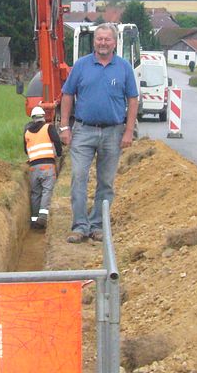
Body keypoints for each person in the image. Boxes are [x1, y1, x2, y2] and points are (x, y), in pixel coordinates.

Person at [59, 23, 139, 244]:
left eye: (107, 39)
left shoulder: (123, 68)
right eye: (99, 39)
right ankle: (80, 226)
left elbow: (133, 100)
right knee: (78, 177)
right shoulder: (82, 66)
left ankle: (97, 225)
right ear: (94, 41)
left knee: (106, 182)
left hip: (113, 132)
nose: (103, 43)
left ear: (114, 42)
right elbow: (67, 95)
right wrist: (65, 126)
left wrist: (129, 131)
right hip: (83, 131)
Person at [23, 106, 62, 230]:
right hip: (47, 165)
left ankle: (34, 220)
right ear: (43, 117)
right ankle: (43, 217)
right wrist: (60, 154)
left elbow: (26, 150)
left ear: (33, 118)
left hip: (33, 167)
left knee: (36, 193)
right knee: (47, 190)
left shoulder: (27, 132)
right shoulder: (48, 127)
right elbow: (57, 141)